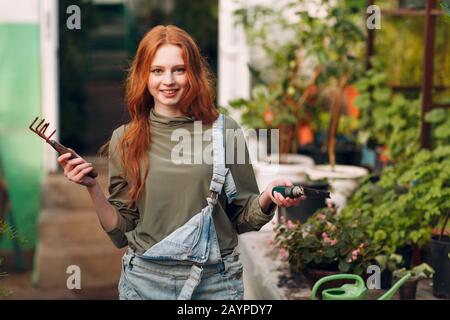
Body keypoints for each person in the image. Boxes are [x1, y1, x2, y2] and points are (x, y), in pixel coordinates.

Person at [57, 25, 302, 300]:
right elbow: (122, 230)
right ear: (143, 76)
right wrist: (92, 187)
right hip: (144, 282)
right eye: (157, 70)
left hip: (215, 282)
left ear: (194, 74)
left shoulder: (225, 132)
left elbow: (241, 218)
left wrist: (268, 197)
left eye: (179, 69)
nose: (168, 81)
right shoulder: (125, 139)